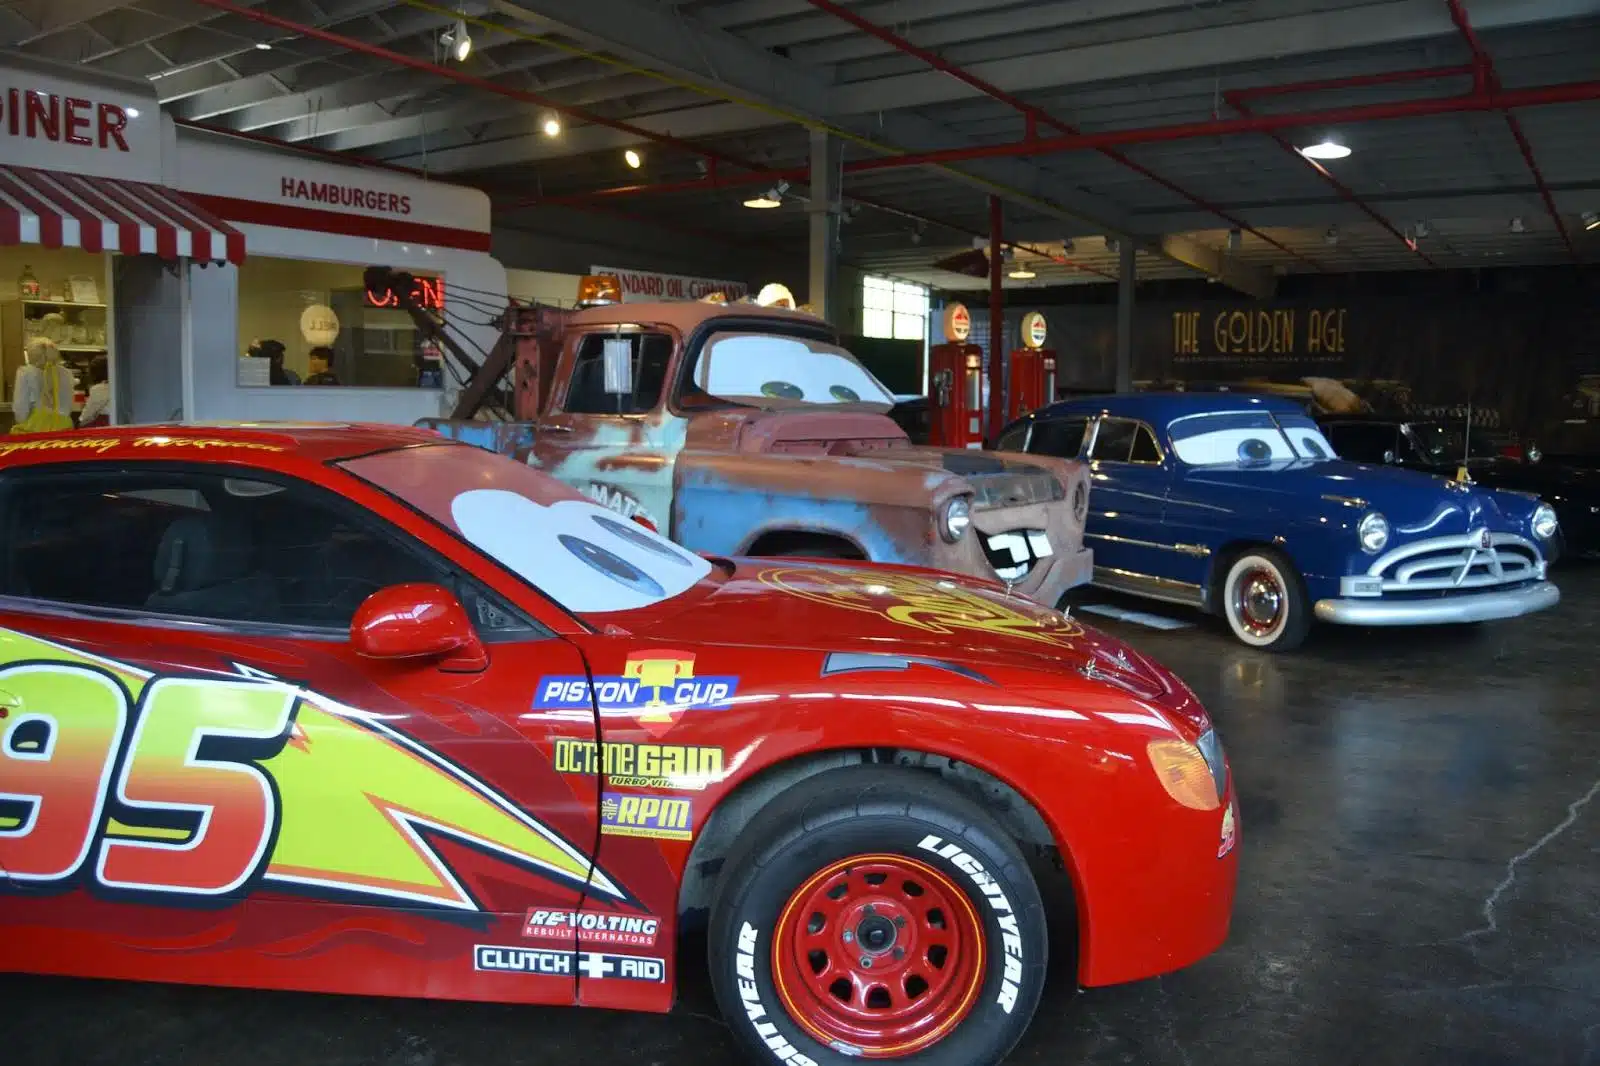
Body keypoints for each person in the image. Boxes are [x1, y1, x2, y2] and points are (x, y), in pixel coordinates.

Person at [12, 337, 76, 434]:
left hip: (34, 432)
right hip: (63, 429)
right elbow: (69, 405)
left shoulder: (25, 373)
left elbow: (21, 410)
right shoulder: (66, 374)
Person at [79, 355, 110, 427]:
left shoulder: (98, 389)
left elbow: (88, 414)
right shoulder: (117, 386)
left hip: (103, 424)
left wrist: (80, 422)